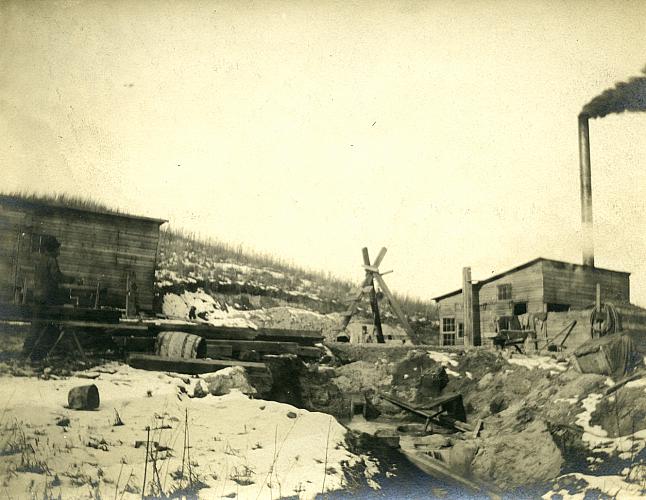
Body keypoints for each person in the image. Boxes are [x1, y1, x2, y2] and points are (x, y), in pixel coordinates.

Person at [23, 236, 72, 361]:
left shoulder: (41, 261)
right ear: (52, 249)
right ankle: (37, 356)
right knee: (54, 326)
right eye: (57, 249)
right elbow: (57, 277)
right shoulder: (52, 260)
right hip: (49, 300)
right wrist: (73, 280)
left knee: (36, 326)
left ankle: (25, 352)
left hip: (38, 299)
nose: (59, 251)